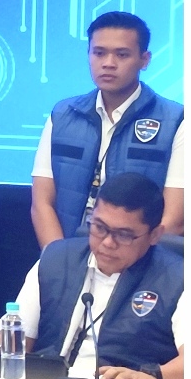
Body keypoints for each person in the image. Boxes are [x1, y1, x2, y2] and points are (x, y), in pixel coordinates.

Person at [32, 12, 184, 247]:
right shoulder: (63, 115)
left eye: (122, 54)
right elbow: (42, 204)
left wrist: (117, 260)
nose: (108, 63)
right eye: (99, 53)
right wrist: (60, 260)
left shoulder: (176, 120)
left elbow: (174, 220)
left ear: (144, 60)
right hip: (67, 254)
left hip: (139, 260)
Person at [17, 172, 184, 379]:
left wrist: (151, 376)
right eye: (100, 228)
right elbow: (15, 341)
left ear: (155, 235)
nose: (107, 242)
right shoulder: (55, 259)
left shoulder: (178, 279)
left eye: (123, 235)